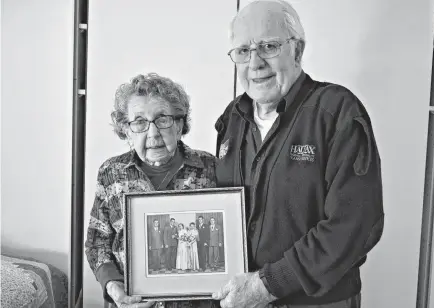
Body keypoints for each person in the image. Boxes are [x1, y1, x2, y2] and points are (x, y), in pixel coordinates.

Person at [212, 1, 384, 307]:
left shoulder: (337, 111)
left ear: (298, 51)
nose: (255, 63)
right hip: (242, 298)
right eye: (243, 51)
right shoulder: (232, 118)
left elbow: (355, 224)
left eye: (268, 46)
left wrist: (266, 286)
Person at [84, 73, 218, 308]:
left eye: (162, 119)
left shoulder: (211, 168)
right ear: (126, 130)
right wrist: (114, 287)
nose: (153, 133)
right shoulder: (111, 173)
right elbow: (97, 242)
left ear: (179, 125)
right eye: (139, 122)